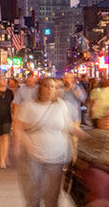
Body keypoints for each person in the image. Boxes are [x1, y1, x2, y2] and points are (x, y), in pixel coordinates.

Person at [16, 76, 77, 207]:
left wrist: (88, 137)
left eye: (54, 87)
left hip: (56, 157)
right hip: (33, 157)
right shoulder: (28, 105)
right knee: (33, 196)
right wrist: (26, 143)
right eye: (47, 86)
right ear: (40, 88)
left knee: (53, 197)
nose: (50, 90)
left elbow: (68, 126)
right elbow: (18, 128)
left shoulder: (61, 105)